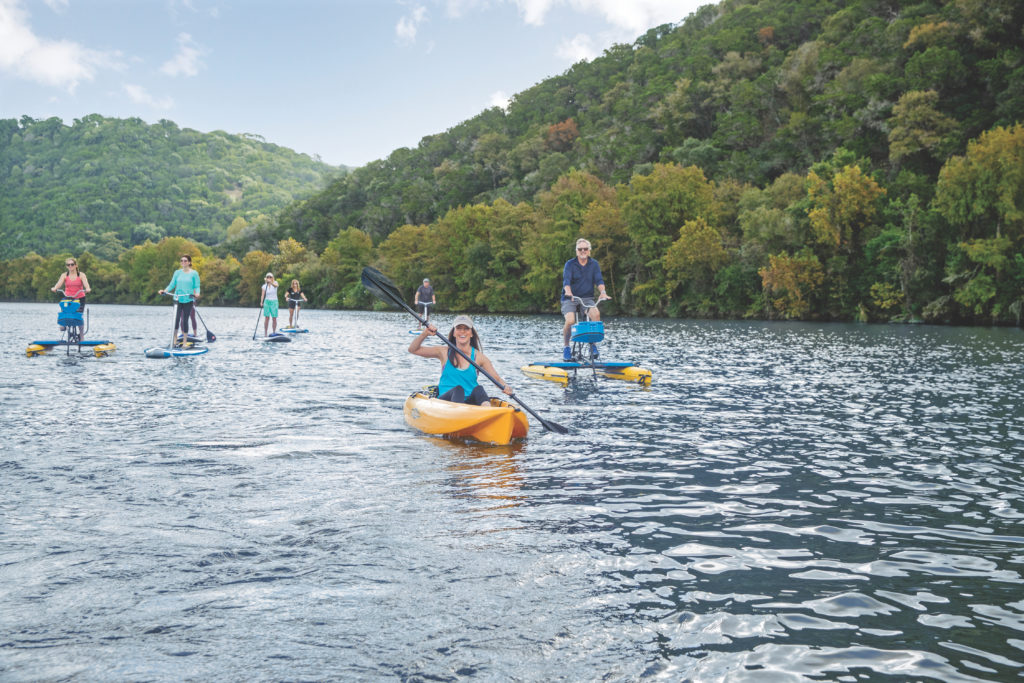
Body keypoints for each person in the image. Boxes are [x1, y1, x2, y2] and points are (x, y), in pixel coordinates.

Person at [409, 314, 513, 405]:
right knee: (458, 390)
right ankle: (459, 413)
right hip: (445, 402)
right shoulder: (443, 352)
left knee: (479, 389)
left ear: (471, 333)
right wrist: (425, 333)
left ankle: (487, 411)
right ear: (454, 333)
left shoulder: (479, 357)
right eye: (459, 328)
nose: (462, 331)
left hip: (469, 403)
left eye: (466, 329)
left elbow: (497, 379)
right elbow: (413, 350)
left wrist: (506, 387)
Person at [560, 238, 610, 361]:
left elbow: (599, 280)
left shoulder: (594, 264)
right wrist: (568, 292)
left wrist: (603, 292)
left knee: (596, 314)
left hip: (587, 298)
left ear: (589, 251)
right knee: (570, 321)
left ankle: (593, 346)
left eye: (585, 249)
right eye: (580, 249)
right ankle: (566, 347)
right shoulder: (570, 264)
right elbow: (566, 281)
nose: (583, 251)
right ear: (576, 251)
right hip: (570, 298)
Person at [158, 255, 201, 344]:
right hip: (177, 299)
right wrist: (164, 291)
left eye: (185, 261)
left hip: (188, 299)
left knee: (185, 320)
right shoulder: (177, 272)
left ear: (189, 262)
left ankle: (184, 342)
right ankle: (174, 341)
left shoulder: (194, 273)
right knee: (176, 319)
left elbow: (197, 286)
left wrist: (197, 293)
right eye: (181, 260)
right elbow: (172, 284)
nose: (183, 262)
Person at [50, 257, 91, 330]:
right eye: (68, 265)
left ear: (76, 265)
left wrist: (87, 288)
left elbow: (86, 284)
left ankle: (81, 335)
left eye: (72, 264)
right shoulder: (64, 275)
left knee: (79, 316)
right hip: (68, 298)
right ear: (66, 266)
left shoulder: (81, 275)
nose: (70, 266)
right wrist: (55, 288)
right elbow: (59, 283)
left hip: (79, 298)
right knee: (65, 314)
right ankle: (63, 325)